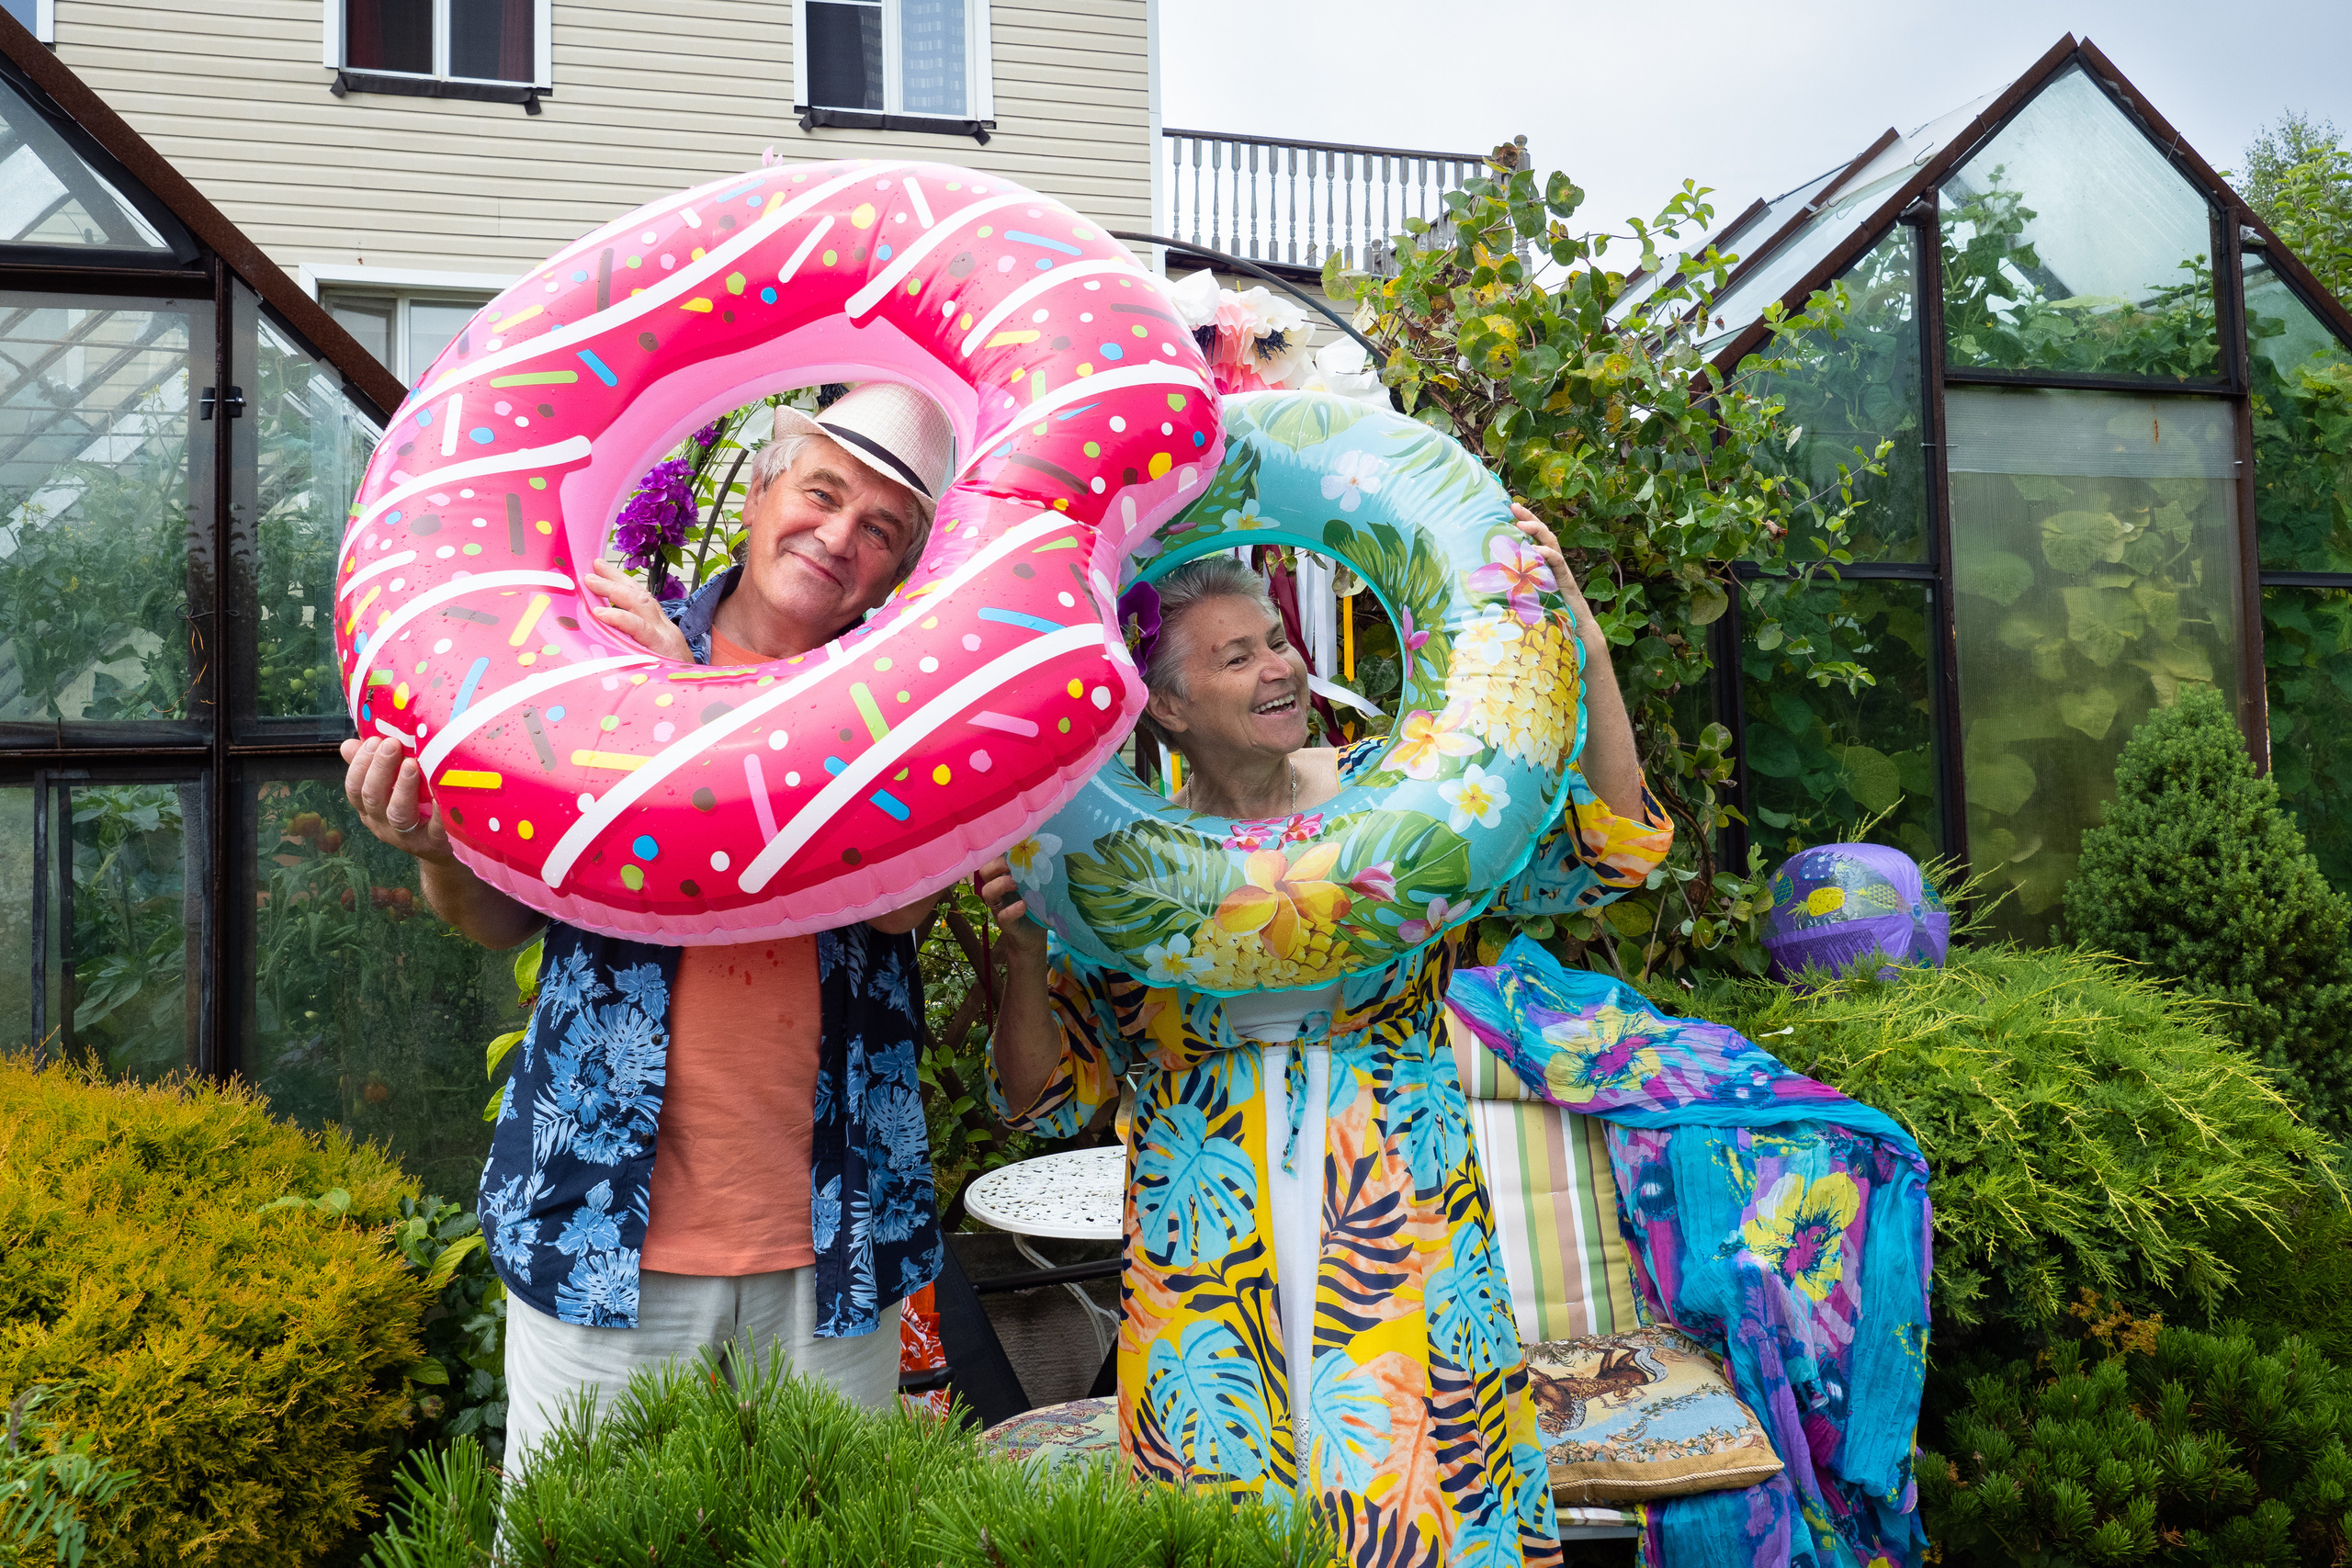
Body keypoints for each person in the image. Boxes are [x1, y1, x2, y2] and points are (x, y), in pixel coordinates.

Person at [976, 511, 1674, 1567]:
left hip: (1403, 1239)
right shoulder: (1117, 861)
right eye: (1236, 655)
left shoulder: (1408, 797)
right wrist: (1025, 956)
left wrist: (1586, 641)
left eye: (1277, 640)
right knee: (1222, 1537)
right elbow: (1035, 1098)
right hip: (1203, 1270)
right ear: (1165, 703)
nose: (1280, 666)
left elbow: (1604, 852)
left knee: (1422, 1517)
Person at [342, 382, 956, 1476]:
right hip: (600, 1222)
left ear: (901, 569)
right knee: (578, 1538)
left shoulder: (911, 708)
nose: (837, 538)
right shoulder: (599, 656)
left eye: (880, 528)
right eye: (821, 494)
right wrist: (436, 848)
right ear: (759, 494)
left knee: (822, 1543)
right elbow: (499, 920)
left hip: (834, 1237)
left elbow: (897, 901)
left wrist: (691, 701)